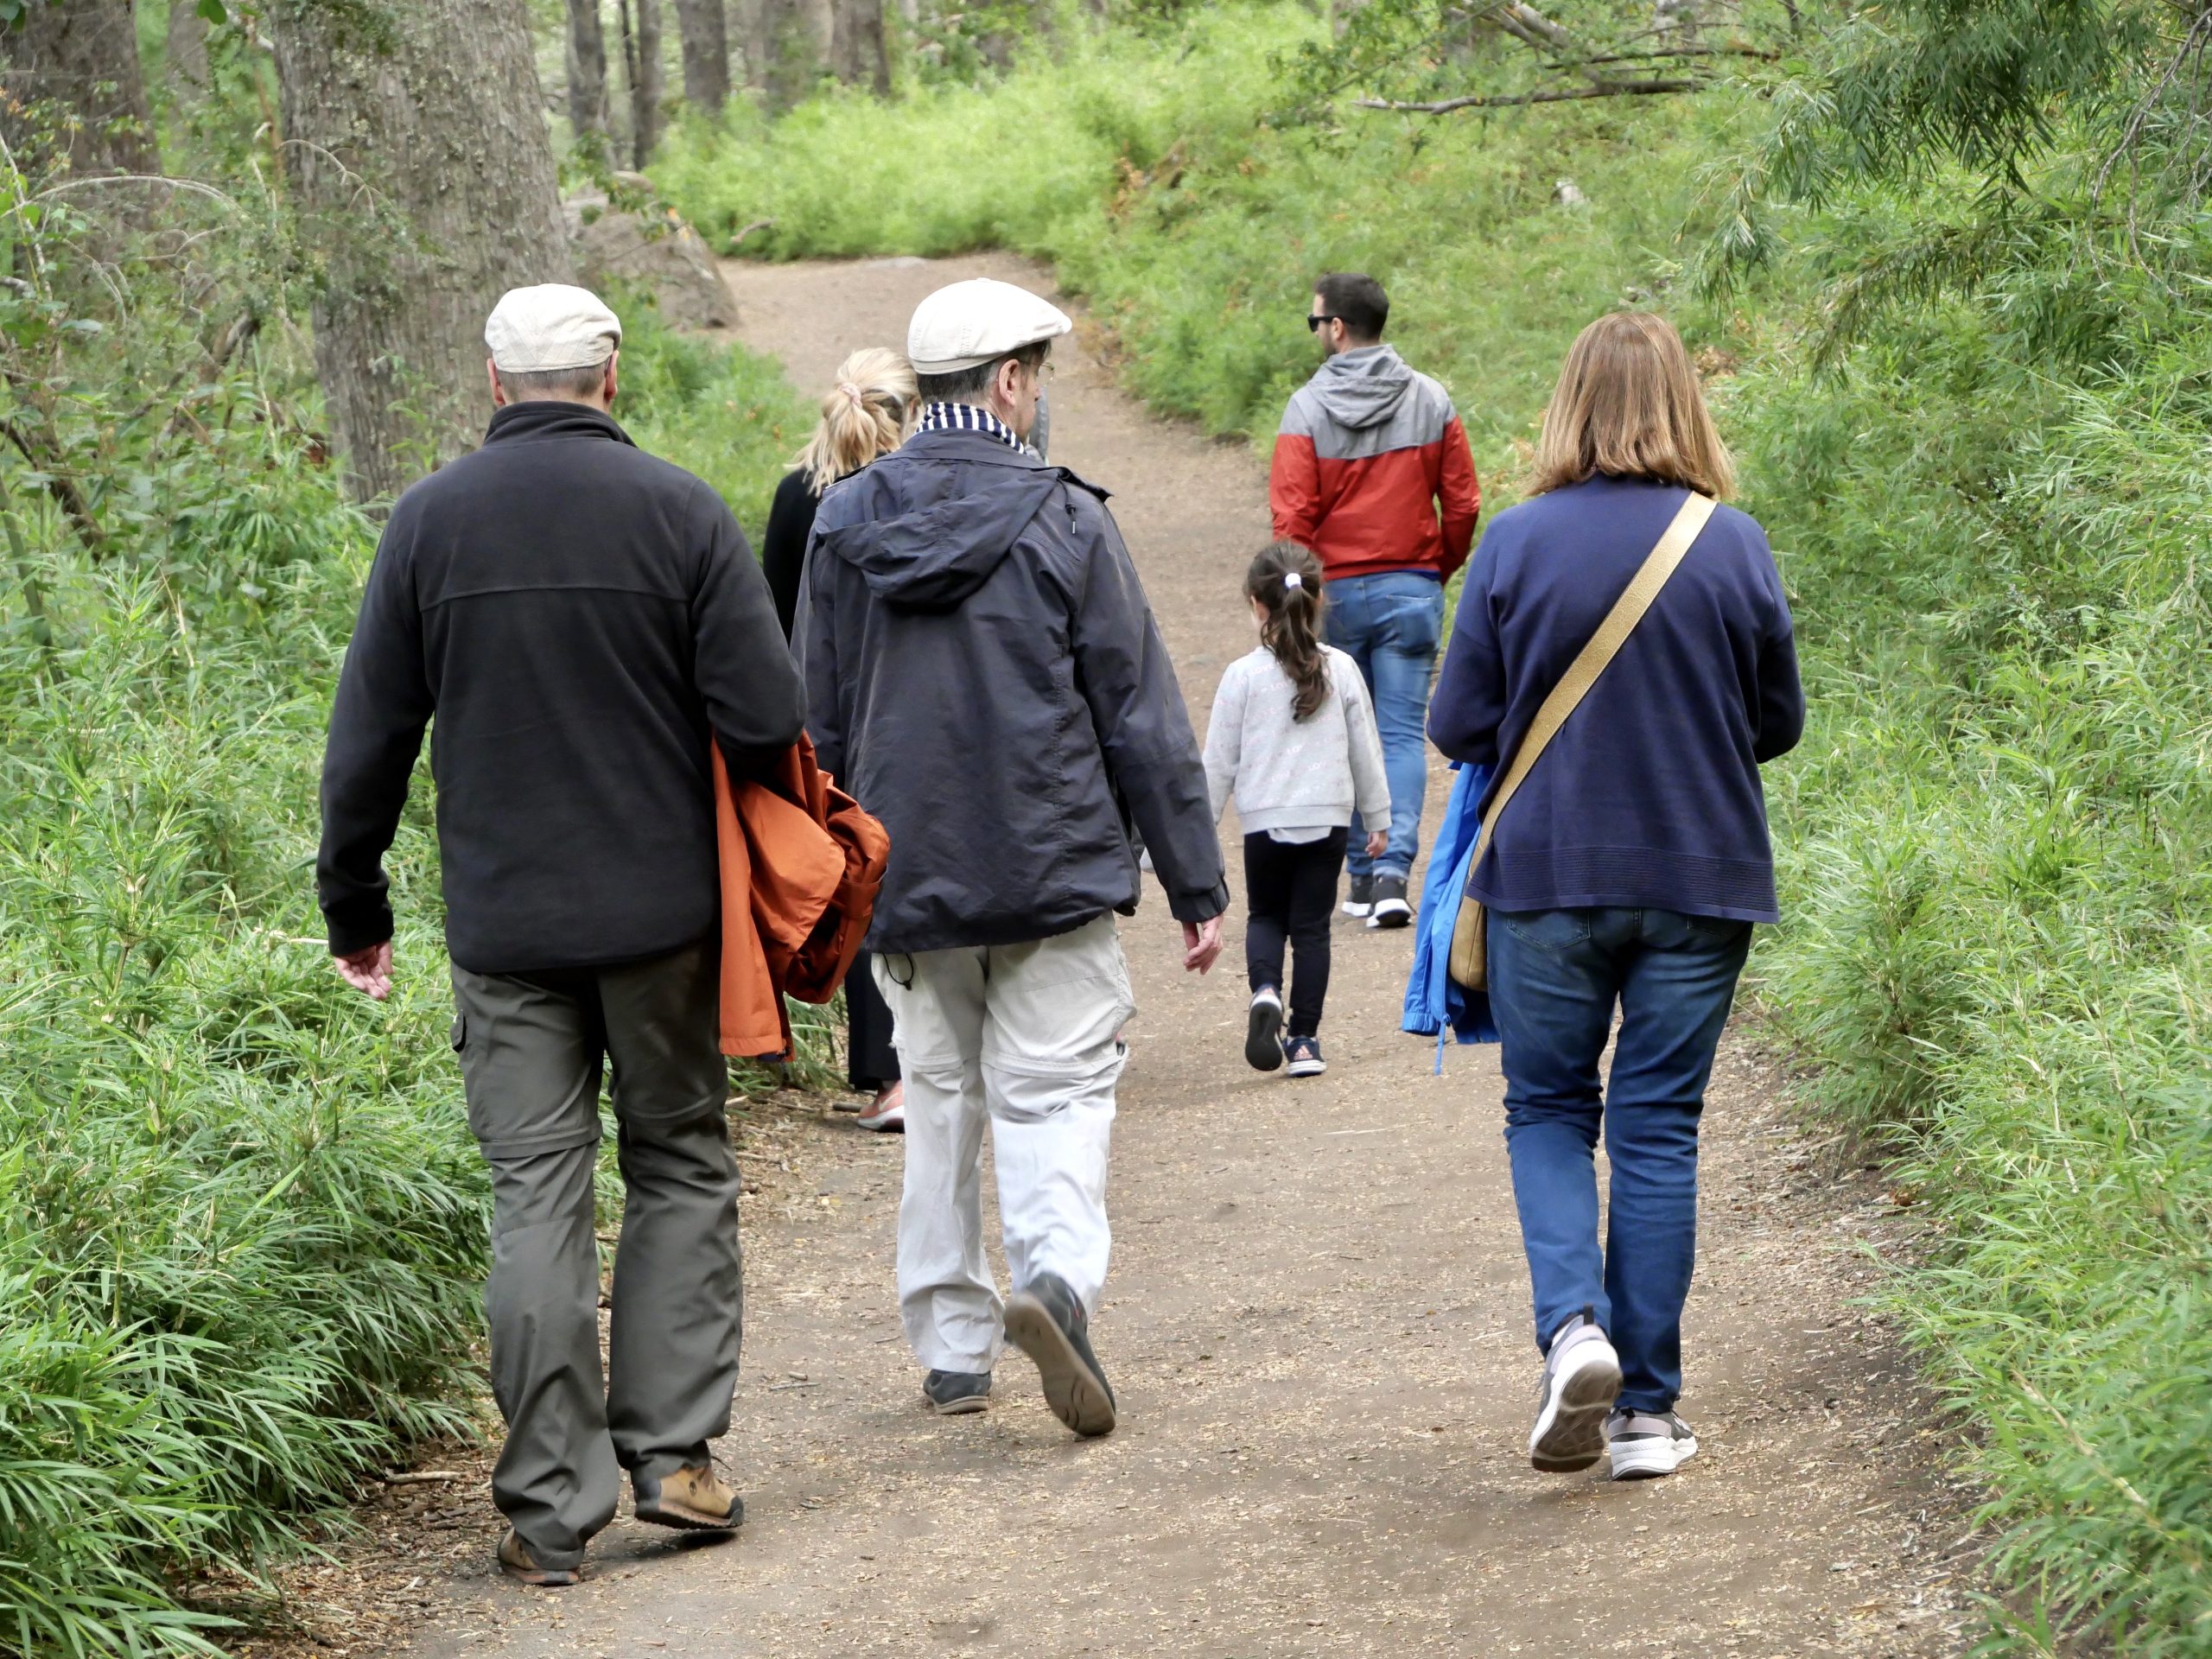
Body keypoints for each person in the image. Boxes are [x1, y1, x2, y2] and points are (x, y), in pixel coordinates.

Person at [317, 284, 803, 1586]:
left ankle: (547, 1508)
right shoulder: (682, 510)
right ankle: (676, 1460)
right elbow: (766, 717)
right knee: (680, 1163)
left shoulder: (427, 524)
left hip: (506, 928)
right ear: (611, 375)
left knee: (535, 1194)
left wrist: (354, 908)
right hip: (664, 923)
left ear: (492, 379)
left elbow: (368, 739)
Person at [794, 276, 1229, 1436]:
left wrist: (825, 888)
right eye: (1040, 375)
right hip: (1050, 864)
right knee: (1058, 1089)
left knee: (937, 1097)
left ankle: (951, 1346)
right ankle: (1053, 1284)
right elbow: (1135, 707)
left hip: (907, 874)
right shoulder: (1067, 516)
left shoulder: (843, 523)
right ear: (1011, 383)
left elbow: (816, 725)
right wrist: (1194, 879)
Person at [1427, 311, 1803, 1483]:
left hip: (1545, 876)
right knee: (1657, 1128)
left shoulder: (1518, 542)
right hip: (1702, 876)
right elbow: (1777, 724)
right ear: (1687, 403)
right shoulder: (1733, 545)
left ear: (1568, 406)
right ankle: (1645, 1413)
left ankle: (1571, 1332)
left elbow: (1454, 724)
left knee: (1545, 1108)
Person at [1269, 272, 1481, 930]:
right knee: (1396, 734)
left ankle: (1360, 876)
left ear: (1336, 328)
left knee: (1340, 736)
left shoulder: (1305, 410)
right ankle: (1388, 876)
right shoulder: (1431, 399)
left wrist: (1300, 603)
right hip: (1411, 587)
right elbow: (1464, 502)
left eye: (1315, 322)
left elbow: (1291, 523)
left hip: (1333, 596)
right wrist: (1432, 570)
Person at [761, 347, 917, 1132]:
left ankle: (891, 1080)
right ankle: (949, 1059)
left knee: (858, 873)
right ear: (910, 412)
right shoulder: (920, 497)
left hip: (827, 711)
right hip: (914, 704)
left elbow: (772, 610)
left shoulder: (800, 497)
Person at [1203, 542, 1390, 1080]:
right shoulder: (1344, 669)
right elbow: (1365, 750)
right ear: (1318, 598)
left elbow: (1217, 762)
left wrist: (1196, 834)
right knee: (1311, 930)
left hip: (1264, 819)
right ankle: (1305, 1041)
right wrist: (1377, 818)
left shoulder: (1242, 676)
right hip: (1327, 819)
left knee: (1266, 915)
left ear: (1255, 604)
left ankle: (1265, 991)